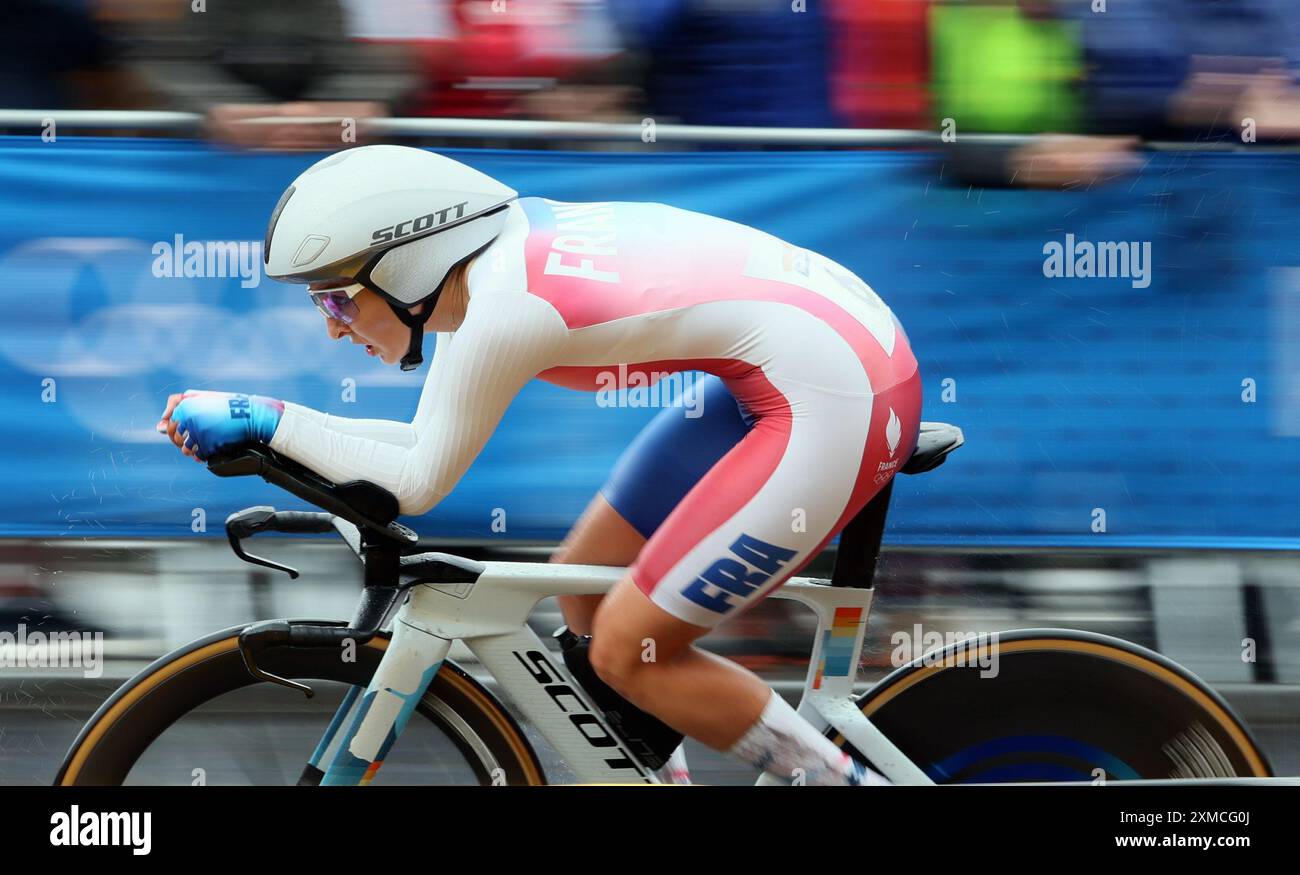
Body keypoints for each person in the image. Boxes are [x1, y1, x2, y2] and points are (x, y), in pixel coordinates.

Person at [158, 144, 922, 786]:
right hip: (798, 361)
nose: (332, 329)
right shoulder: (479, 272)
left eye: (336, 302)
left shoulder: (504, 307)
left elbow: (419, 483)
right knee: (584, 591)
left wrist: (270, 419)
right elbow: (414, 447)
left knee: (631, 649)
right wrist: (274, 427)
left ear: (406, 267)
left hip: (841, 391)